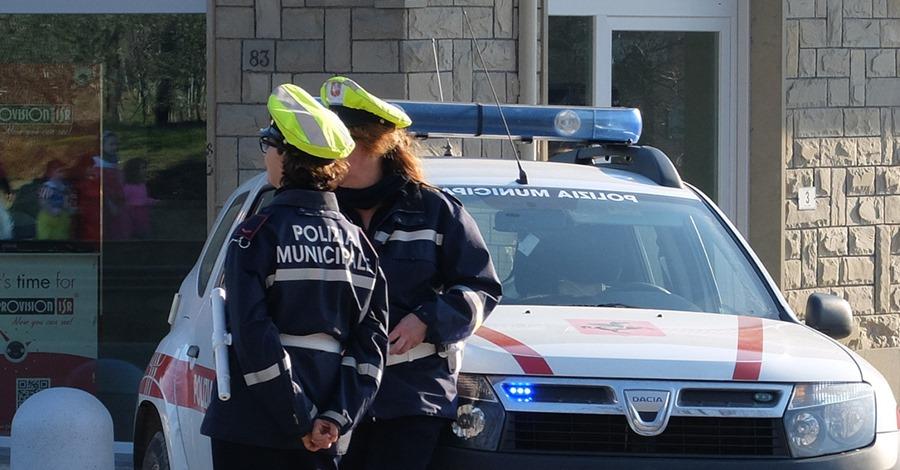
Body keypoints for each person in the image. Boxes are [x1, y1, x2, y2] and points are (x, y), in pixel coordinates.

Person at [200, 83, 389, 470]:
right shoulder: (360, 244)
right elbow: (370, 349)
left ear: (287, 156)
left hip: (255, 429)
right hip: (324, 438)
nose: (266, 154)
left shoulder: (259, 234)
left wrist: (297, 417)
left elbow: (254, 335)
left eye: (268, 143)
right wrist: (334, 418)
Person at [320, 76, 502, 470]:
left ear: (370, 145)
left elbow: (480, 289)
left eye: (338, 143)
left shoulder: (435, 210)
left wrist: (426, 320)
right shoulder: (316, 210)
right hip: (325, 394)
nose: (327, 155)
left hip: (409, 396)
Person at [36, 159, 74, 240]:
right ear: (51, 173)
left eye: (63, 171)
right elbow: (42, 201)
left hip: (62, 216)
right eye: (59, 171)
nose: (62, 174)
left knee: (61, 238)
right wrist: (50, 209)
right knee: (46, 239)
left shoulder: (64, 186)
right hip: (48, 217)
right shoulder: (47, 186)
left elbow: (67, 200)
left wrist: (68, 208)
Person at [122, 157, 156, 238]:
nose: (145, 170)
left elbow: (144, 199)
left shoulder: (142, 185)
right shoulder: (127, 187)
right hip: (131, 222)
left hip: (143, 220)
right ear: (134, 171)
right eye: (143, 168)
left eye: (145, 168)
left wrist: (155, 202)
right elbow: (122, 202)